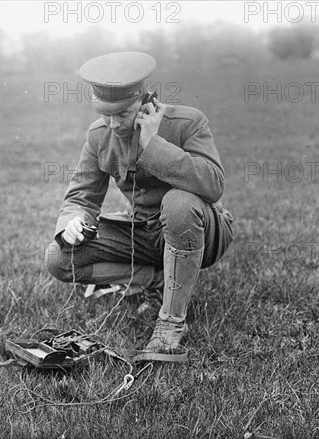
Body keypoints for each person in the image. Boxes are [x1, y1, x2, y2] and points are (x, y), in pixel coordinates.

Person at [45, 52, 234, 354]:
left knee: (178, 203)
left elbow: (213, 185)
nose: (113, 123)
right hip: (144, 232)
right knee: (58, 257)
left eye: (122, 114)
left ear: (147, 100)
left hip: (202, 230)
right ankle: (157, 280)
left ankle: (172, 322)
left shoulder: (187, 122)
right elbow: (81, 195)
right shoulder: (98, 136)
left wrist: (154, 143)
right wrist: (73, 221)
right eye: (106, 115)